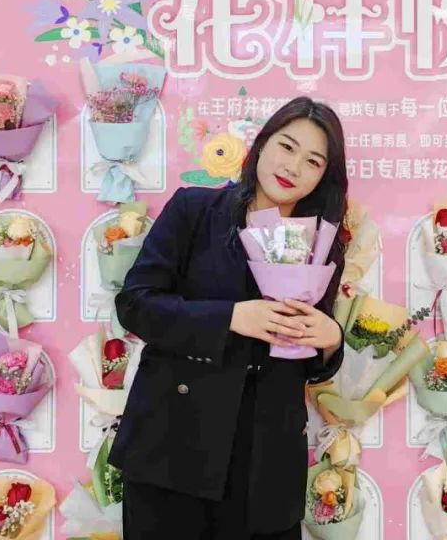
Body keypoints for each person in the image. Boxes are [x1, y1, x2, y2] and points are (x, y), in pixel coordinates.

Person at [110, 97, 348, 539]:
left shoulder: (322, 240)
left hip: (266, 465)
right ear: (261, 144)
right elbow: (136, 305)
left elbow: (310, 361)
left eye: (313, 161)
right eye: (287, 146)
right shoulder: (195, 210)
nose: (293, 167)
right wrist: (231, 317)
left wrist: (331, 339)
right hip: (174, 449)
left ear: (323, 176)